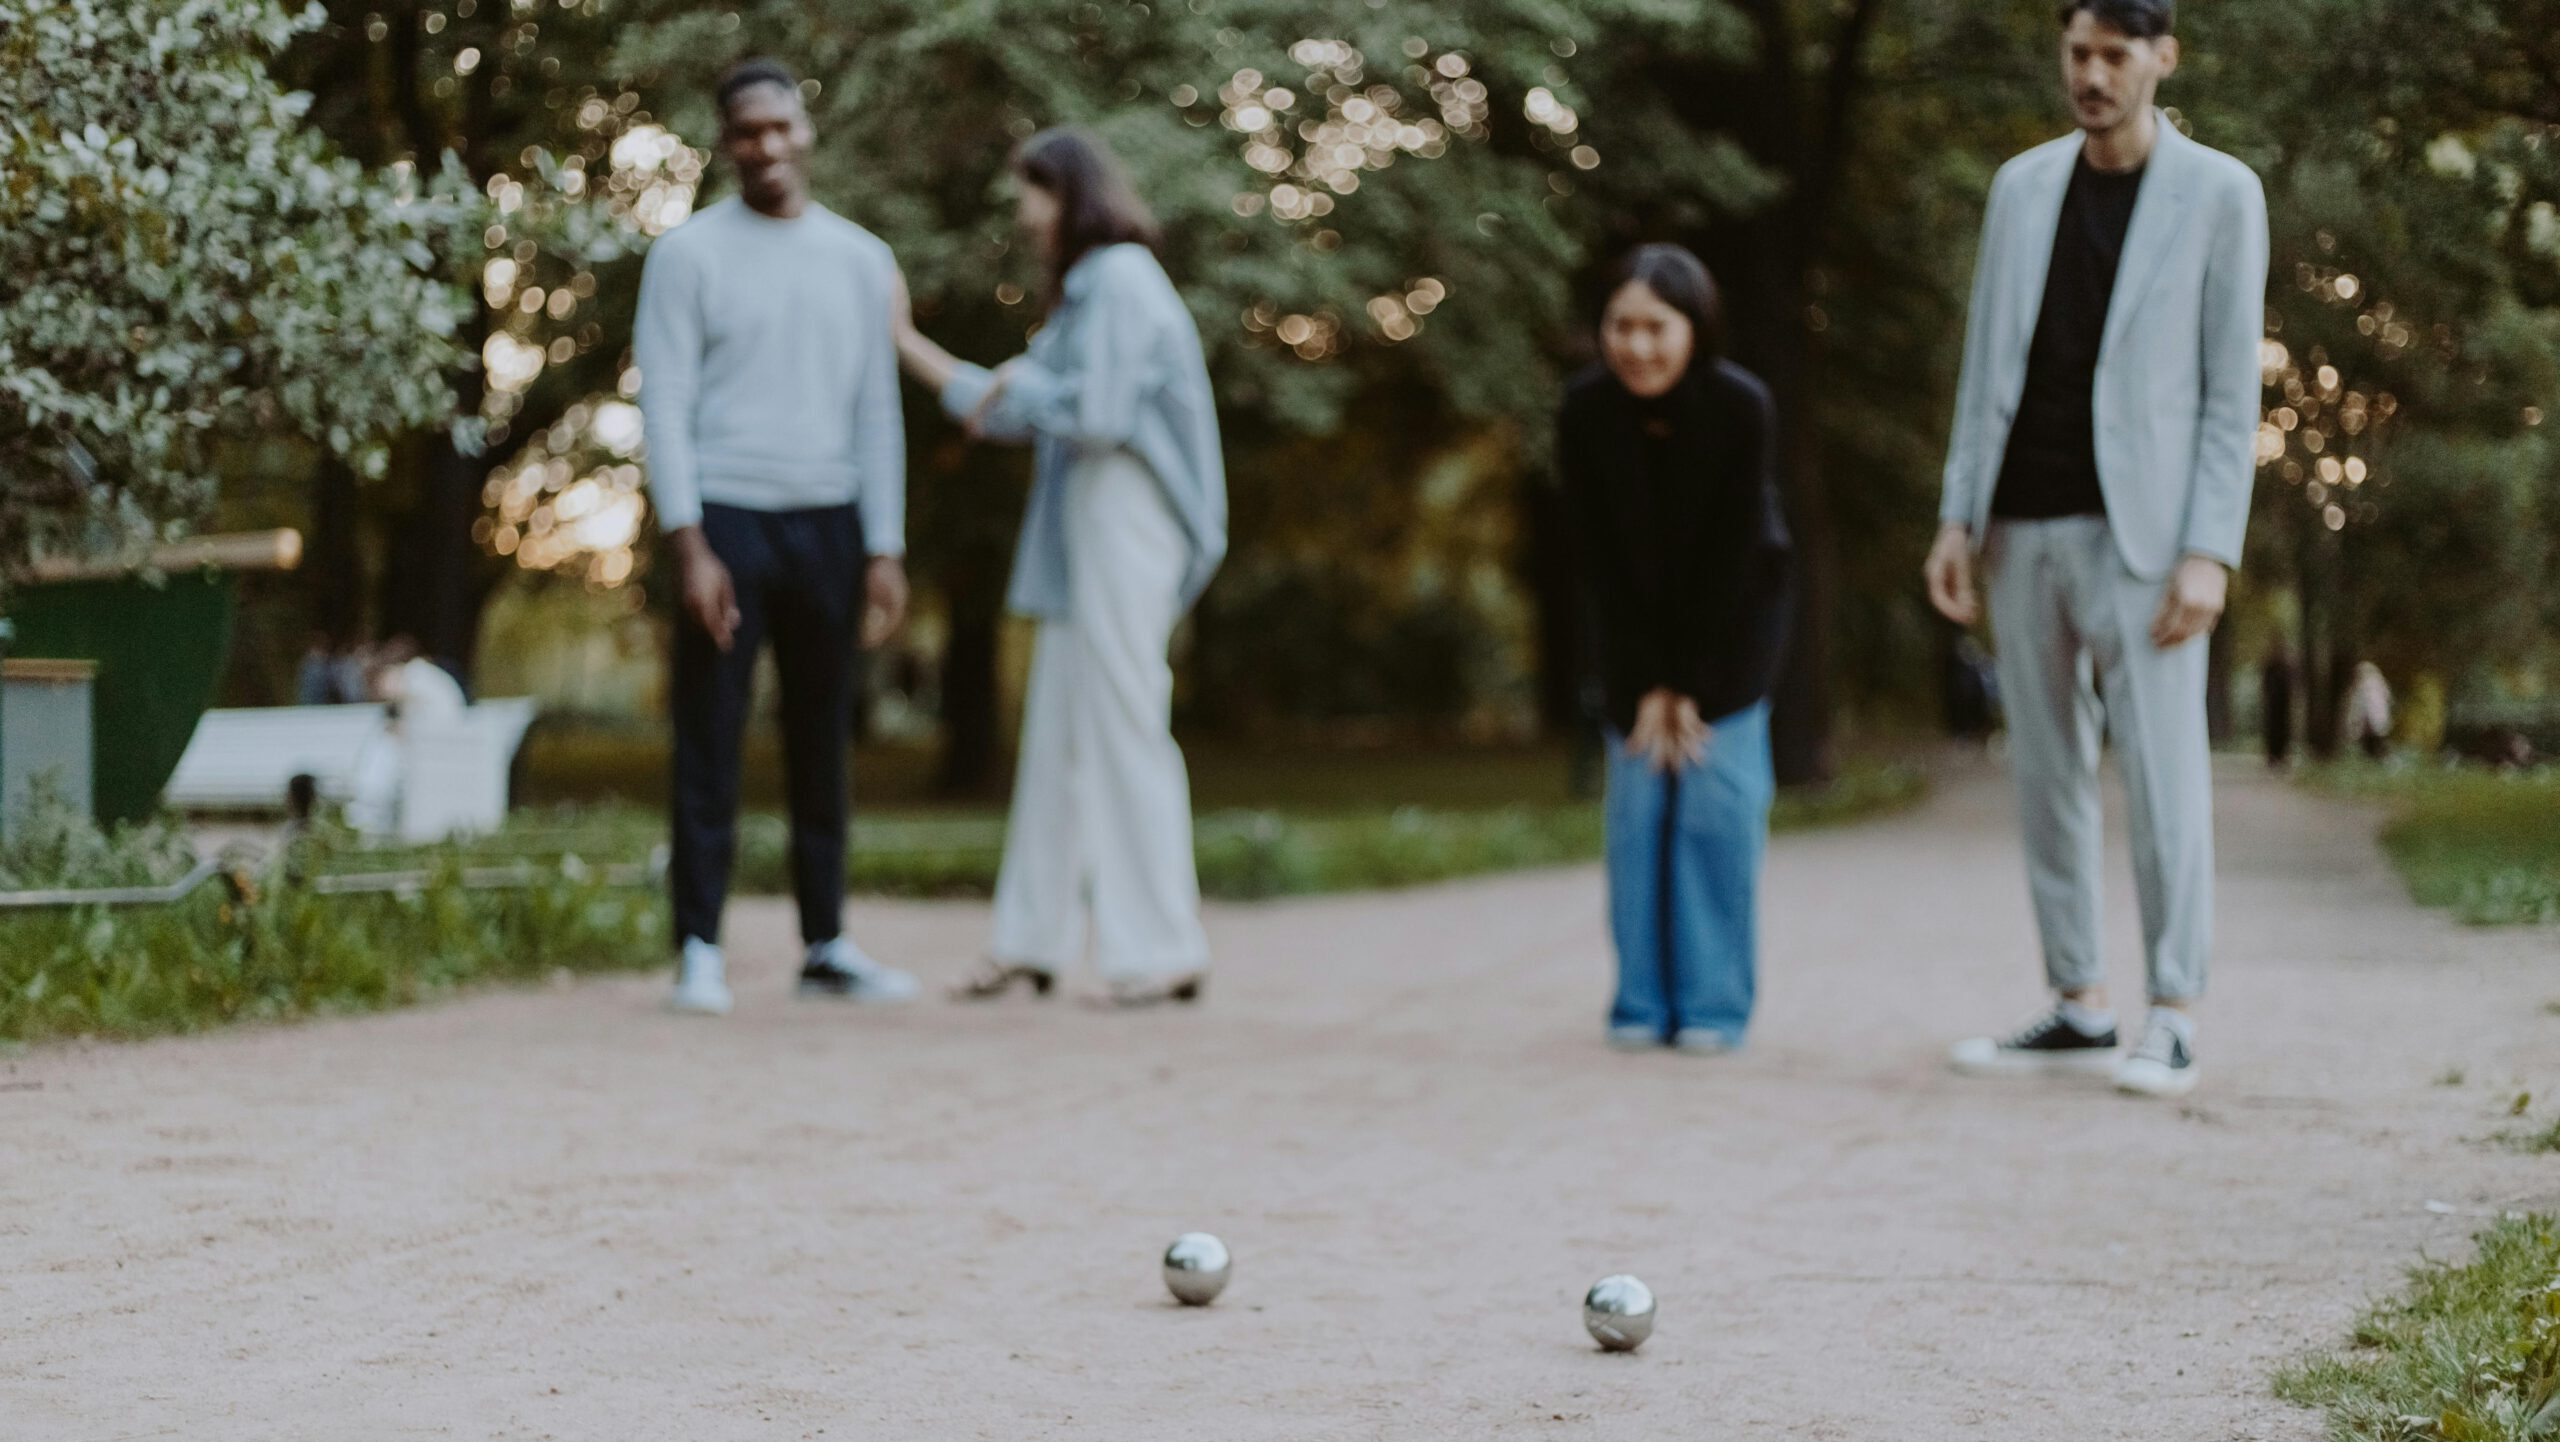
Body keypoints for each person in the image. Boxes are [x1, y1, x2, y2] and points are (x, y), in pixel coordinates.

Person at [1925, 0, 2268, 1099]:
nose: (2091, 74)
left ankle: (2170, 1010)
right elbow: (1985, 366)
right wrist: (1955, 517)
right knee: (2044, 774)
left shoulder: (2220, 193)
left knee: (2164, 775)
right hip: (2020, 523)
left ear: (2161, 59)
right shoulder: (2020, 187)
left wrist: (2210, 548)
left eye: (2114, 55)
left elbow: (2229, 394)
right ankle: (2078, 1000)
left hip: (2150, 537)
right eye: (2077, 53)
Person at [892, 128, 1227, 1008]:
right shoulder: (1086, 298)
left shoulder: (1118, 279)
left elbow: (1101, 415)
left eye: (1029, 198)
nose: (1023, 218)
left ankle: (1162, 945)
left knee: (1123, 724)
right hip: (1091, 522)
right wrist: (906, 343)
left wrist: (1013, 384)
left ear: (1066, 194)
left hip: (1127, 513)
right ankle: (1028, 939)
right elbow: (1005, 409)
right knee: (1059, 737)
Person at [633, 58, 919, 1017]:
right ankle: (700, 949)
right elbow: (664, 405)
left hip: (831, 523)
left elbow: (879, 410)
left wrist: (885, 546)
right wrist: (689, 544)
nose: (764, 145)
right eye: (744, 131)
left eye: (777, 127)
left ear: (805, 129)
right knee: (710, 734)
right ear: (725, 143)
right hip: (727, 517)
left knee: (822, 736)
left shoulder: (864, 259)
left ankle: (827, 943)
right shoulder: (687, 256)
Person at [1557, 244, 1792, 1055]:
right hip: (1634, 652)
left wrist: (1689, 683)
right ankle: (1640, 1003)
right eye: (1621, 326)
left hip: (1732, 643)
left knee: (1714, 820)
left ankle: (1714, 1008)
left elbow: (1735, 559)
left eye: (1657, 327)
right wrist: (1645, 684)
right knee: (1638, 819)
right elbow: (1598, 563)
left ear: (1694, 329)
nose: (1638, 346)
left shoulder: (1741, 407)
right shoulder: (1583, 412)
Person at [2344, 661, 2393, 761]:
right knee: (2371, 743)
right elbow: (2387, 698)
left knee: (2376, 742)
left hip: (2373, 721)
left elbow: (2364, 705)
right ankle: (2375, 759)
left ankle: (2381, 758)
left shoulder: (2370, 685)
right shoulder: (2375, 684)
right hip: (2371, 722)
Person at [2259, 642, 2296, 768]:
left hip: (2283, 705)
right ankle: (2273, 756)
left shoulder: (2286, 667)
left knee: (2283, 731)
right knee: (2273, 731)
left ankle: (2281, 755)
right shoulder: (2272, 667)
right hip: (2273, 705)